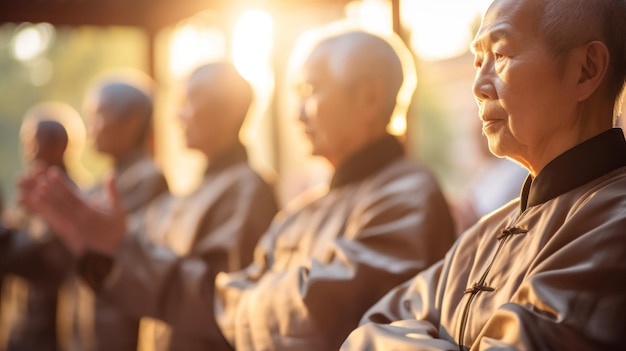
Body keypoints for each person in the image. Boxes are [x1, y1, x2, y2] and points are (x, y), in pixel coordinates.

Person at [21, 31, 457, 350]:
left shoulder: (407, 196)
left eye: (311, 91)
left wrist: (231, 300)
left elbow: (315, 313)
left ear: (368, 98)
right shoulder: (303, 211)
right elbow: (221, 297)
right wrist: (117, 251)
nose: (298, 113)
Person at [341, 0, 626, 349]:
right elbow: (372, 324)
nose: (478, 85)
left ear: (586, 69)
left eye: (501, 55)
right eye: (479, 61)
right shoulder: (484, 235)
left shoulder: (614, 222)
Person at [136, 62, 278, 351]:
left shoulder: (247, 190)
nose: (178, 115)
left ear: (229, 110)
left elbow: (221, 299)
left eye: (188, 101)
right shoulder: (195, 190)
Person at [73, 78, 169, 351]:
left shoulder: (147, 181)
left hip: (122, 333)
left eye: (99, 116)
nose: (91, 128)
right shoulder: (110, 181)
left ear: (132, 122)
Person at [1, 103, 84, 351]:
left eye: (34, 141)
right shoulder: (35, 191)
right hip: (25, 323)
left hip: (53, 327)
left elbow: (46, 259)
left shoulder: (70, 197)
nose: (28, 151)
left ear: (59, 146)